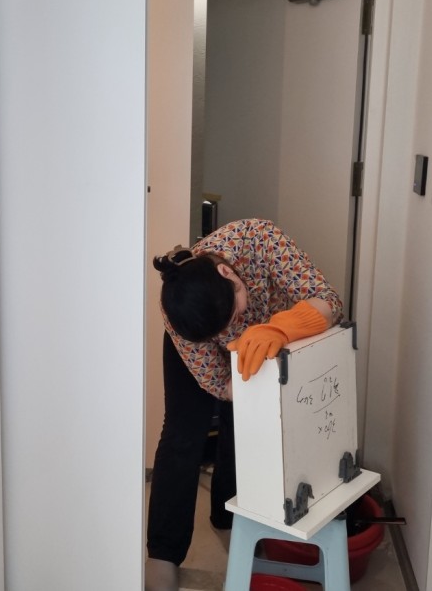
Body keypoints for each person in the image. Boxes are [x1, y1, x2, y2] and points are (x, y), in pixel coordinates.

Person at [145, 218, 343, 591]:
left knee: (246, 427)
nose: (230, 332)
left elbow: (329, 301)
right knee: (182, 435)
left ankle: (230, 517)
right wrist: (239, 384)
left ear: (229, 274)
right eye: (222, 330)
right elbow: (218, 383)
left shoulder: (261, 239)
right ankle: (163, 553)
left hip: (273, 334)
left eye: (233, 318)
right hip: (199, 348)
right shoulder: (179, 309)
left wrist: (279, 329)